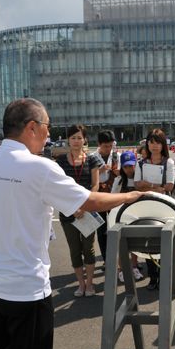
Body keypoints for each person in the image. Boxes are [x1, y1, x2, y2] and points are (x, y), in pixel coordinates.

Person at [0, 98, 143, 349]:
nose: (49, 133)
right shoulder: (40, 167)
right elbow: (91, 200)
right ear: (31, 127)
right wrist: (130, 196)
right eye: (46, 125)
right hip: (24, 286)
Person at [55, 125, 100, 298]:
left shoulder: (92, 160)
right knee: (74, 249)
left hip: (88, 211)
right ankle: (80, 285)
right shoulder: (61, 161)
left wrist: (85, 206)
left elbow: (95, 186)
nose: (76, 141)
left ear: (85, 140)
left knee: (88, 248)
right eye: (73, 137)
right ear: (68, 140)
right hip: (68, 213)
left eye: (79, 137)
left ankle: (89, 284)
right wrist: (73, 208)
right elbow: (58, 189)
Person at [134, 128, 175, 289]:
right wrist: (155, 186)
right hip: (146, 205)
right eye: (151, 142)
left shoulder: (168, 162)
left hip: (164, 205)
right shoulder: (141, 163)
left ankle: (165, 277)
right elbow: (137, 184)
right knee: (148, 241)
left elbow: (170, 185)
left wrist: (149, 186)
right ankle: (153, 277)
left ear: (163, 144)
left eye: (158, 142)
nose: (154, 145)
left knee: (164, 241)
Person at [112, 150, 144, 282]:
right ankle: (122, 269)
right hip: (123, 216)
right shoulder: (119, 180)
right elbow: (112, 197)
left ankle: (135, 266)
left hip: (138, 216)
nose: (129, 169)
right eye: (126, 166)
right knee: (123, 245)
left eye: (131, 166)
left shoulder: (140, 180)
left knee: (135, 244)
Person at [93, 130, 120, 265]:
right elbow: (89, 177)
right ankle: (106, 260)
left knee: (117, 226)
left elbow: (125, 174)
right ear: (99, 144)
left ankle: (119, 259)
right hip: (100, 197)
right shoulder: (92, 157)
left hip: (115, 195)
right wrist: (99, 170)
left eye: (110, 145)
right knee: (102, 230)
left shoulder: (117, 156)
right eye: (105, 146)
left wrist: (119, 172)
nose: (108, 149)